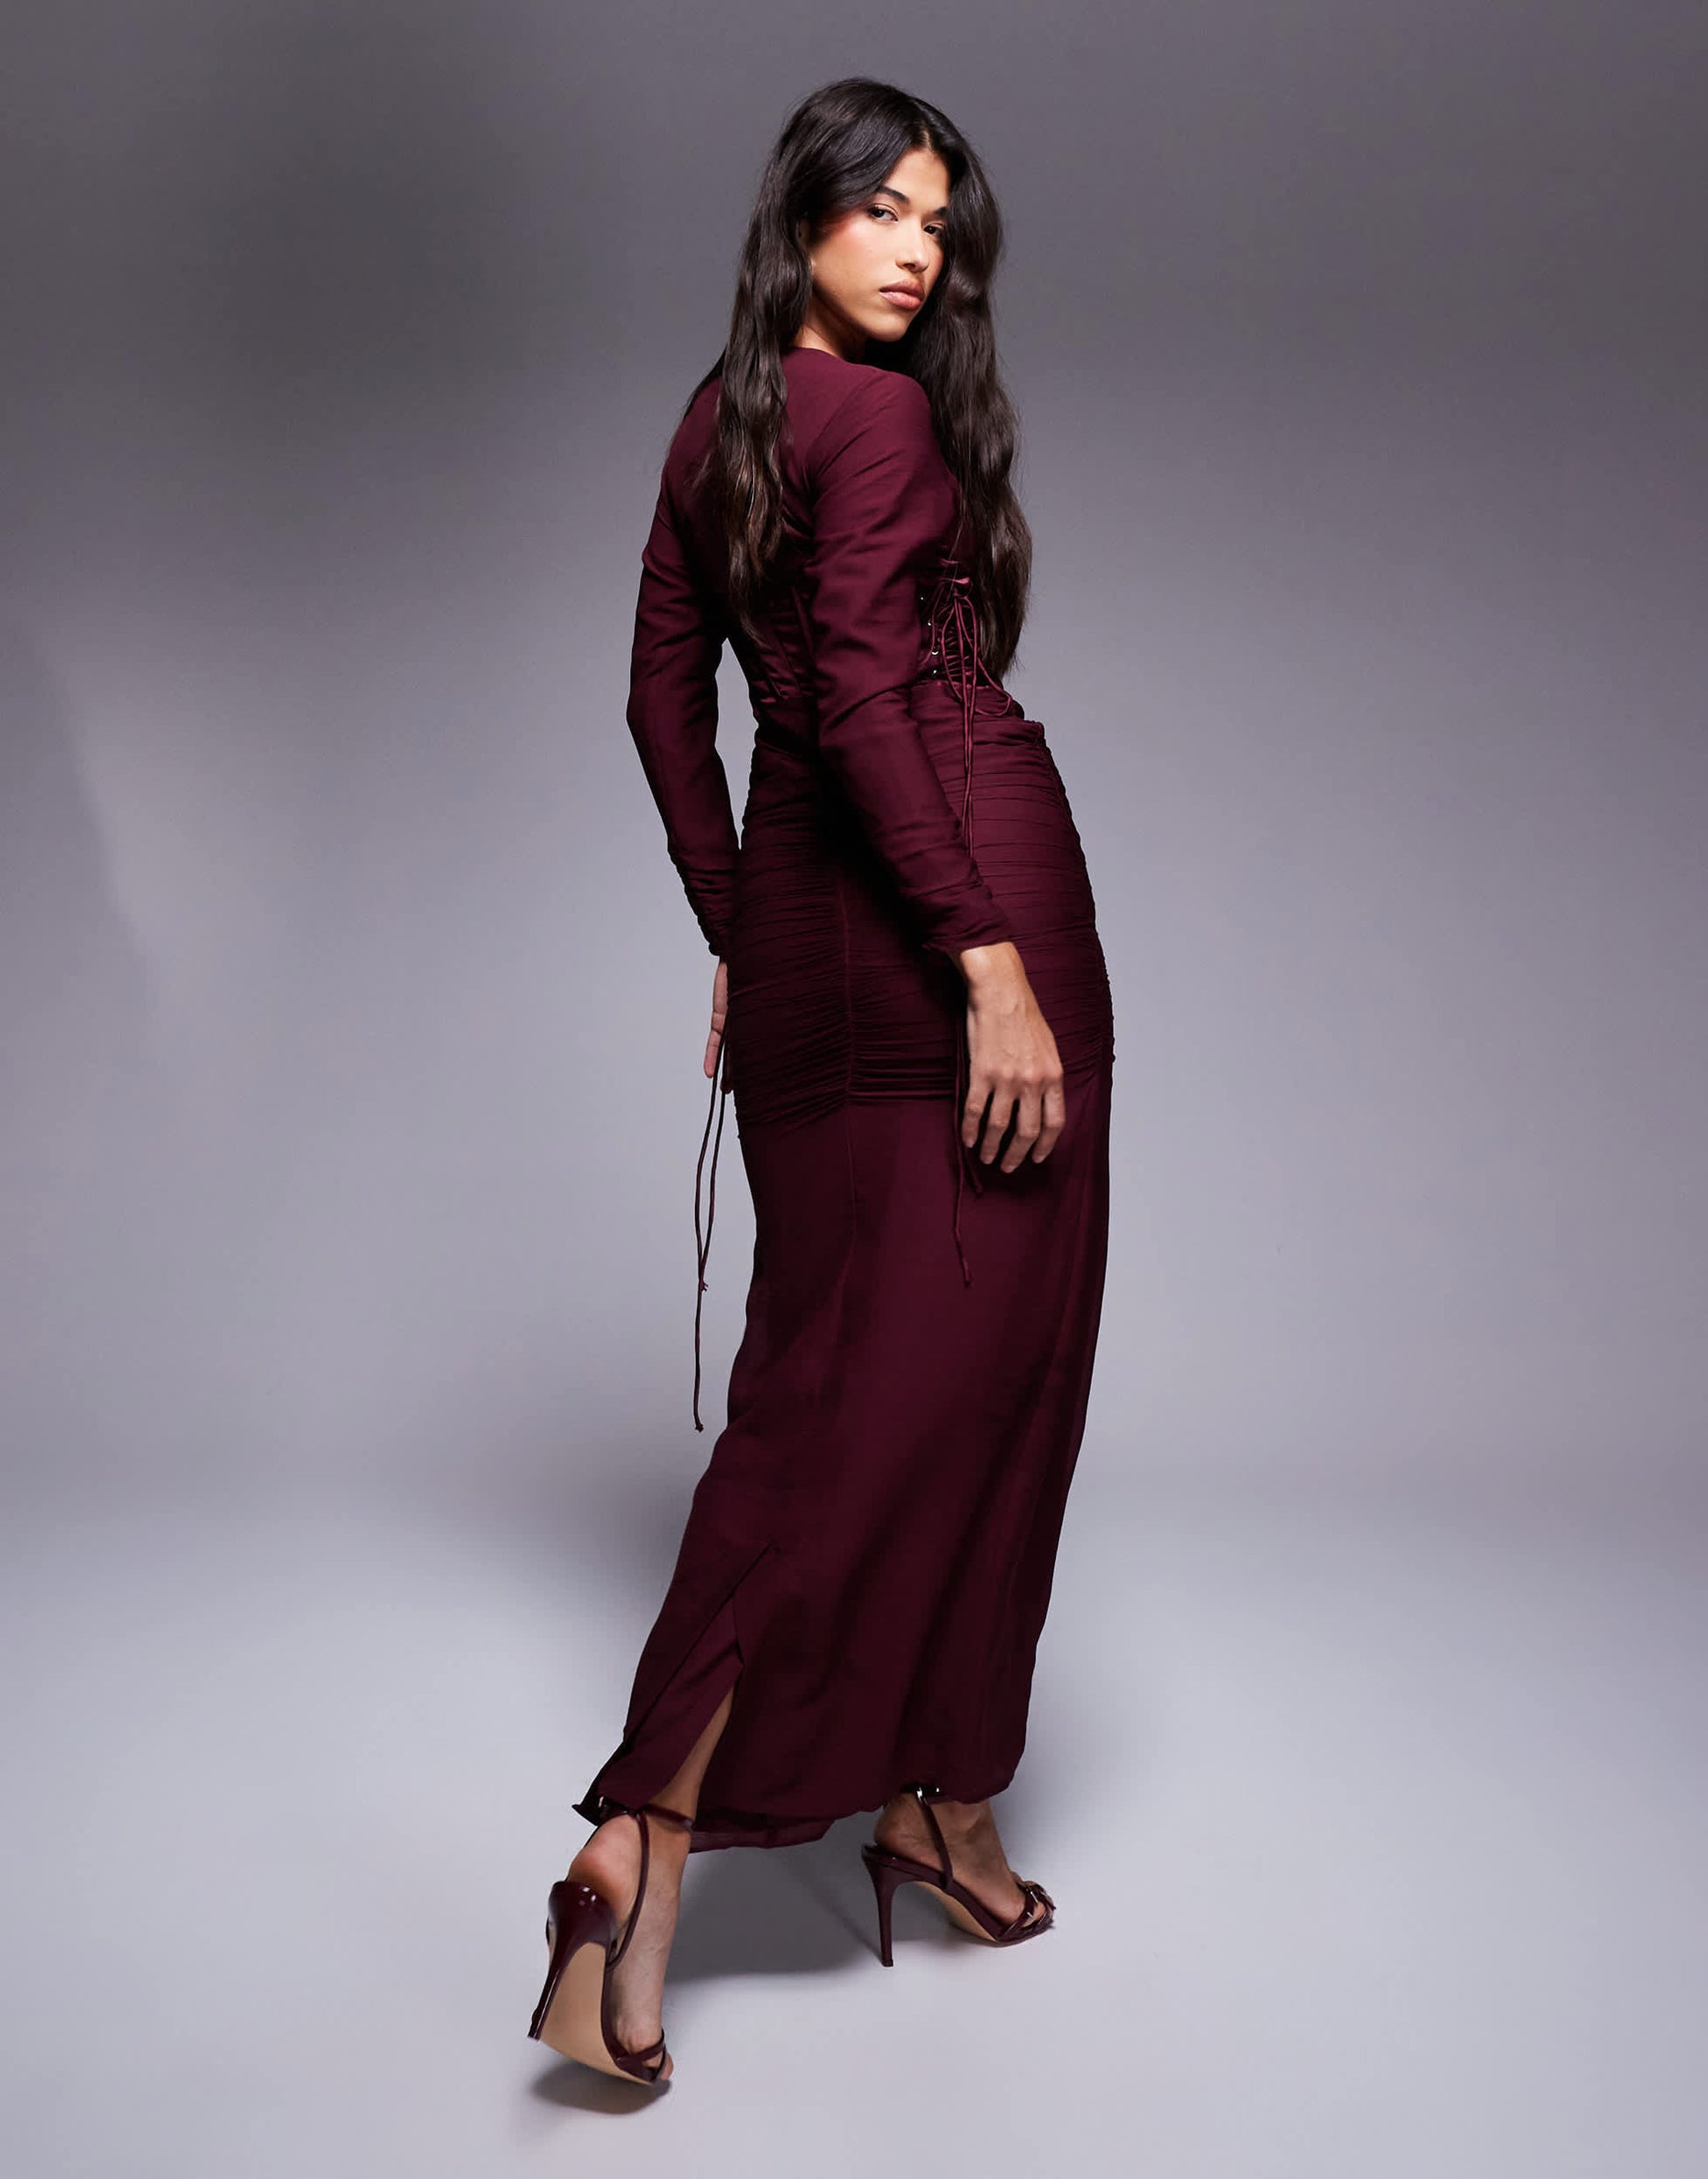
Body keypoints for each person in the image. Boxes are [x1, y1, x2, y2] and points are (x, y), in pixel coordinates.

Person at [527, 76, 1115, 2087]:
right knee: (991, 1371)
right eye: (882, 210)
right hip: (953, 906)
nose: (917, 251)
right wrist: (989, 966)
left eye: (940, 223)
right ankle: (843, 1803)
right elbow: (866, 693)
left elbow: (659, 701)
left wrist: (738, 923)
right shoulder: (875, 421)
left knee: (815, 1386)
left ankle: (728, 1835)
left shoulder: (718, 421)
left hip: (801, 926)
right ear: (801, 213)